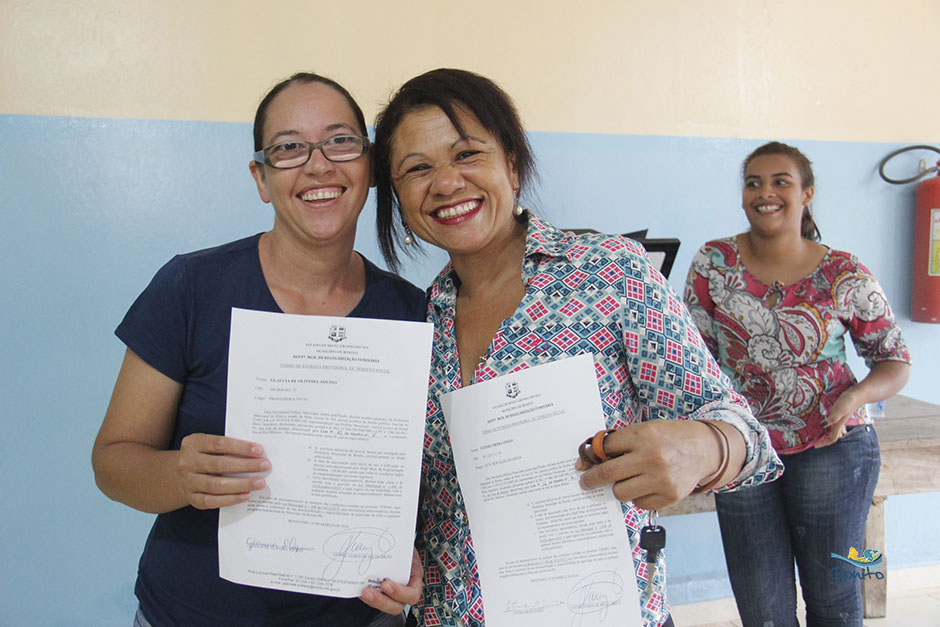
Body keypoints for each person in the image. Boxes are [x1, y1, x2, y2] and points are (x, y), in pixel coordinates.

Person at [371, 68, 783, 627]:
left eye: (467, 154)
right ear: (398, 195)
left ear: (512, 165)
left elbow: (750, 439)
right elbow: (421, 499)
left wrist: (708, 447)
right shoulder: (416, 321)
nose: (445, 183)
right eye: (417, 168)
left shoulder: (611, 274)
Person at [92, 72, 424, 627]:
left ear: (368, 167)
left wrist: (411, 559)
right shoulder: (192, 287)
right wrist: (180, 474)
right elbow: (112, 462)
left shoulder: (412, 312)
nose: (319, 165)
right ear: (261, 178)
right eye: (289, 148)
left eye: (340, 141)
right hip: (190, 614)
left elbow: (421, 480)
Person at [683, 141, 912, 626]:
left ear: (806, 193)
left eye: (780, 181)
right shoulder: (713, 263)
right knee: (763, 610)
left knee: (834, 599)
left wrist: (856, 396)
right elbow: (694, 356)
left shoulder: (842, 272)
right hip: (743, 451)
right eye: (753, 182)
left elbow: (893, 359)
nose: (765, 193)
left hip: (833, 447)